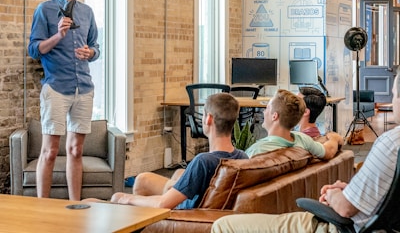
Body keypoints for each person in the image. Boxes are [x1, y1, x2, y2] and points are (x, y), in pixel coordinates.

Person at [211, 70, 400, 233]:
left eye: (393, 95)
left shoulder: (391, 143)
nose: (392, 100)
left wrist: (333, 195)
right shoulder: (305, 141)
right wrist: (352, 191)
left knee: (223, 225)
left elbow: (345, 208)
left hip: (340, 227)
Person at [28, 0, 100, 200]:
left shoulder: (87, 12)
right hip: (56, 88)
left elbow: (95, 48)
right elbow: (34, 50)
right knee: (49, 152)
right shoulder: (45, 10)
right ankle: (43, 207)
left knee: (76, 150)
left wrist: (90, 53)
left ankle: (75, 206)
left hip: (84, 88)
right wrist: (58, 35)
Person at [110, 92, 248, 209]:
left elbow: (163, 204)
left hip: (182, 212)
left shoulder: (203, 161)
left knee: (114, 197)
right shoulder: (243, 157)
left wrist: (124, 198)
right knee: (144, 179)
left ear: (209, 119)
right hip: (199, 204)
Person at [245, 89, 343, 160]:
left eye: (266, 108)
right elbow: (329, 151)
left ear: (274, 116)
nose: (263, 112)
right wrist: (334, 138)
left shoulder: (256, 151)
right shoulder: (303, 140)